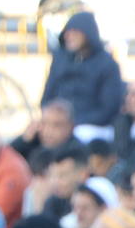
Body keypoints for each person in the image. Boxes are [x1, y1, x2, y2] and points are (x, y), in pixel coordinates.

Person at [38, 12, 124, 142]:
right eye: (67, 32)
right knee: (28, 138)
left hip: (90, 125)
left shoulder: (107, 64)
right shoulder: (60, 59)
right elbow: (47, 96)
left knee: (77, 137)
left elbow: (109, 108)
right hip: (58, 121)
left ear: (87, 34)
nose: (69, 36)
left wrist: (73, 122)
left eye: (74, 32)